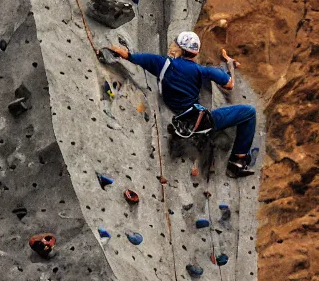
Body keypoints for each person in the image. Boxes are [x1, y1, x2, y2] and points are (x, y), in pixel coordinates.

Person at [109, 30, 256, 178]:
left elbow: (135, 58)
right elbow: (230, 84)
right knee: (249, 112)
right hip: (200, 123)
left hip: (179, 114)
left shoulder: (163, 64)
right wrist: (230, 67)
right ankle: (238, 162)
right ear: (196, 53)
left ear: (180, 48)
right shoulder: (201, 70)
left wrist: (121, 53)